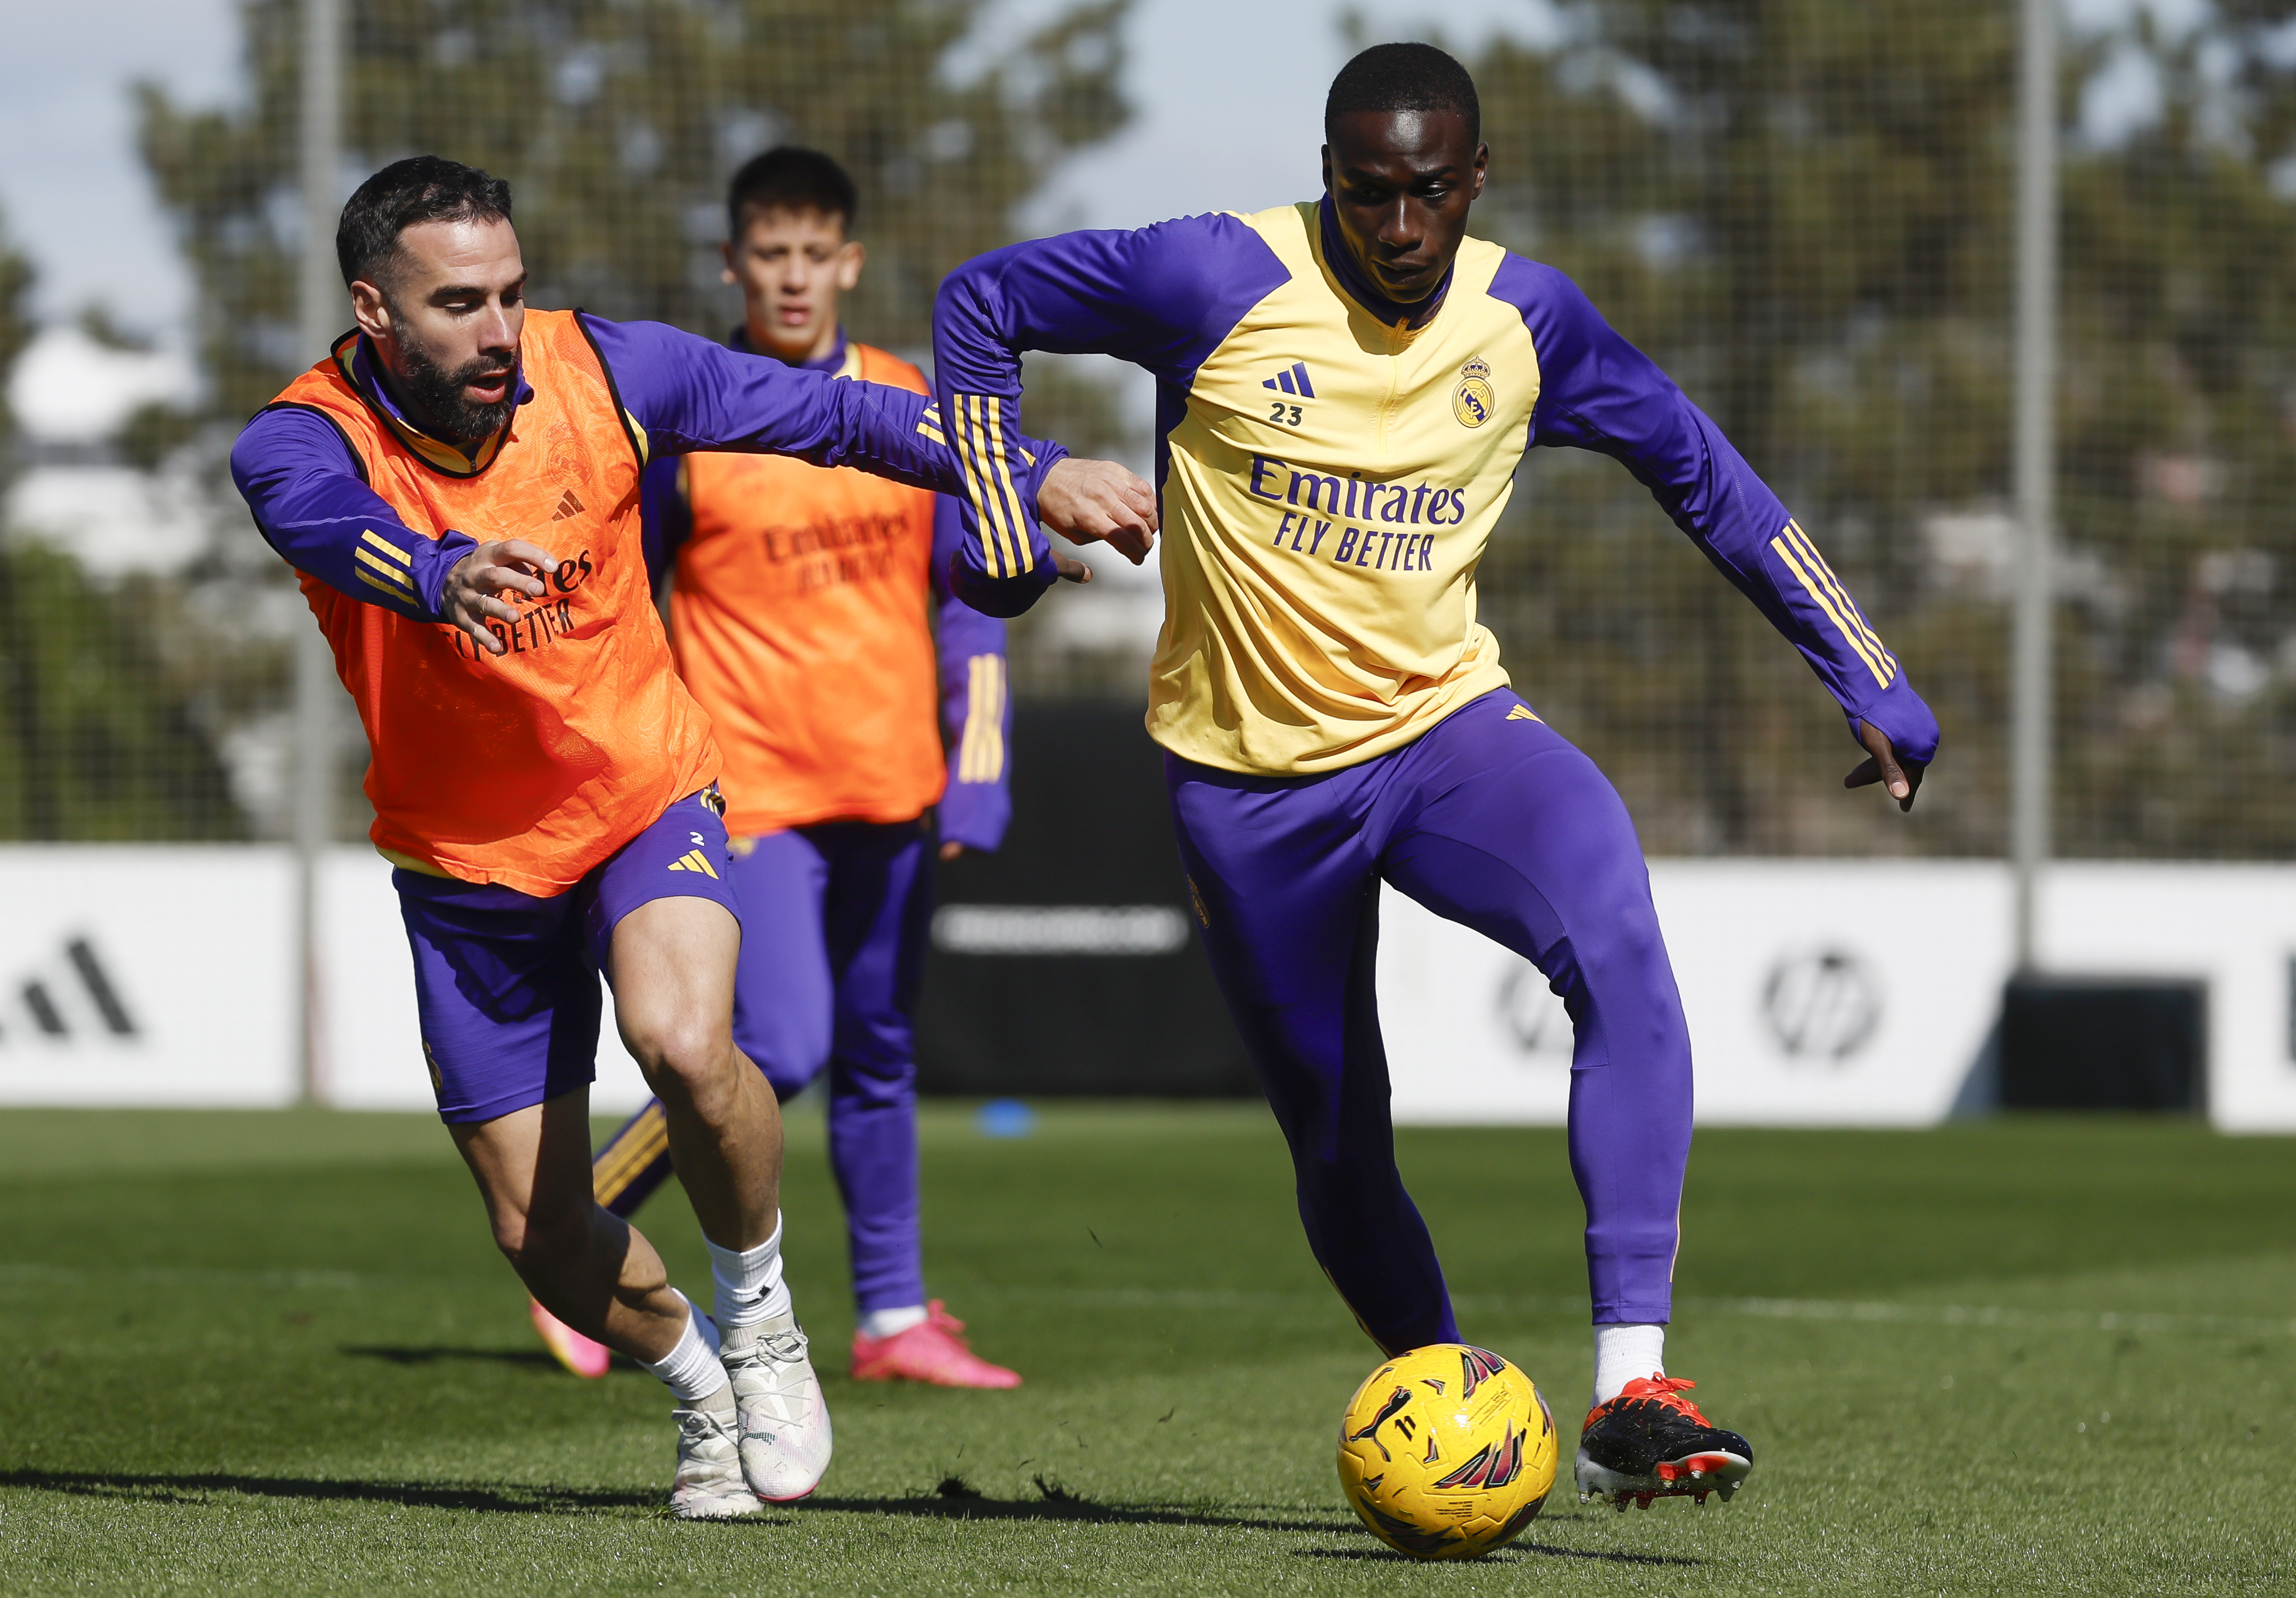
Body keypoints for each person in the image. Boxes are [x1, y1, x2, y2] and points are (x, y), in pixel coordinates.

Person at [927, 43, 1939, 1512]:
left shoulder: (1529, 320)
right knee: (1341, 1151)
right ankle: (1465, 1413)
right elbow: (980, 303)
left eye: (1427, 196)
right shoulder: (1211, 276)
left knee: (1617, 939)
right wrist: (1008, 485)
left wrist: (1866, 670)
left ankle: (1630, 1391)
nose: (1398, 231)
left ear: (1478, 181)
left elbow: (1702, 472)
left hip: (1446, 737)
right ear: (1328, 171)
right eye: (1367, 193)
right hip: (1246, 788)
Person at [228, 156, 1147, 1517]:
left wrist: (1033, 465)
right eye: (460, 303)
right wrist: (438, 572)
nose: (499, 332)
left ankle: (767, 1315)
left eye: (513, 294)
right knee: (539, 1240)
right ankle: (703, 1384)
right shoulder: (297, 437)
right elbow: (320, 520)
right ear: (375, 311)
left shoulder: (606, 368)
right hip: (465, 867)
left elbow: (837, 416)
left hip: (644, 796)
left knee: (687, 1035)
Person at [524, 146, 1019, 1391]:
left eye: (815, 254)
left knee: (883, 1049)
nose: (793, 278)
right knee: (782, 1045)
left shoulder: (910, 400)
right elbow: (622, 594)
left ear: (847, 262)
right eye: (769, 254)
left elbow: (967, 605)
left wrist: (981, 765)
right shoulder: (692, 422)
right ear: (735, 265)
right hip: (753, 794)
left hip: (895, 784)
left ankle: (896, 1315)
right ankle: (578, 1245)